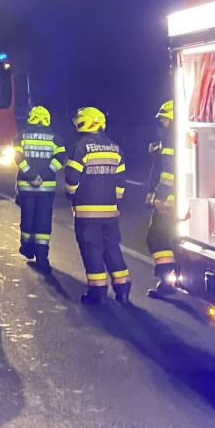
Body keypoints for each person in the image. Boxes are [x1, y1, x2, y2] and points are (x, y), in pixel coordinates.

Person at [65, 107, 131, 306]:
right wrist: (115, 201)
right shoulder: (115, 147)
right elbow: (121, 181)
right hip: (110, 211)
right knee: (112, 248)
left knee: (92, 249)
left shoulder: (80, 148)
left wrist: (71, 195)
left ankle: (98, 292)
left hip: (87, 211)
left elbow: (72, 179)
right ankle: (123, 290)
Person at [14, 105, 67, 270]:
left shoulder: (20, 138)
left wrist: (31, 175)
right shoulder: (56, 139)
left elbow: (18, 158)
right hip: (46, 187)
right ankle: (42, 257)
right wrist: (44, 175)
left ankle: (27, 248)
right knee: (43, 221)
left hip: (26, 187)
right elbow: (59, 160)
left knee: (27, 218)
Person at [145, 100, 178, 298]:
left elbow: (168, 172)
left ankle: (167, 281)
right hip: (180, 200)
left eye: (165, 119)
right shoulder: (175, 138)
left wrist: (161, 197)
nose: (162, 123)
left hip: (169, 201)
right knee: (172, 239)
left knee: (157, 238)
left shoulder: (169, 140)